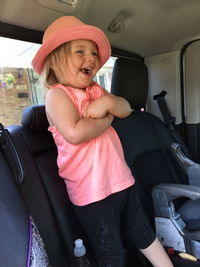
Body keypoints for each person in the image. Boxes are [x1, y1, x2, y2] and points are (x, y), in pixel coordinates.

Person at [32, 16, 173, 267]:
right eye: (80, 51)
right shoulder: (57, 96)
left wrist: (108, 104)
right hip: (92, 194)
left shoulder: (96, 91)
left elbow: (126, 108)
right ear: (56, 58)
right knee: (111, 253)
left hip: (122, 182)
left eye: (94, 53)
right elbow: (75, 133)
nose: (92, 58)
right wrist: (108, 118)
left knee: (145, 236)